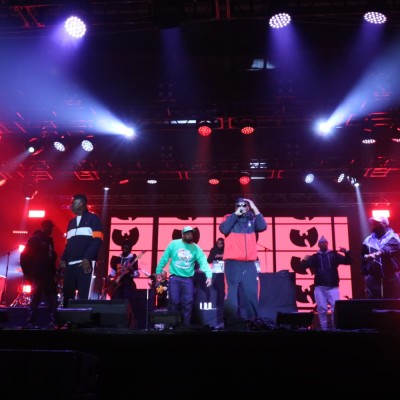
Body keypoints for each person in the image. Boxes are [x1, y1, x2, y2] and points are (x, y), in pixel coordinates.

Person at [219, 198, 267, 324]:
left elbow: (263, 226)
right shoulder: (228, 217)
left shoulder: (252, 219)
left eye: (245, 205)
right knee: (231, 294)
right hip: (232, 263)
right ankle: (230, 322)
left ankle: (254, 322)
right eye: (239, 205)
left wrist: (254, 207)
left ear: (248, 207)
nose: (242, 207)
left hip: (249, 264)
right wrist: (236, 214)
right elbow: (224, 229)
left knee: (252, 293)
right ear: (235, 207)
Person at [155, 226, 212, 326]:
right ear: (182, 235)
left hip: (188, 279)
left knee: (188, 302)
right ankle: (172, 326)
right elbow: (164, 258)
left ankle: (185, 326)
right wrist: (158, 271)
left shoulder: (196, 248)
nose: (189, 235)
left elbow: (203, 261)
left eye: (191, 234)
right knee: (174, 301)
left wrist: (209, 275)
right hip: (175, 278)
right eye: (187, 233)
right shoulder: (174, 244)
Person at [299, 235, 353, 330]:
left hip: (333, 287)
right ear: (318, 245)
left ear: (327, 244)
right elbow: (302, 267)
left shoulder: (334, 255)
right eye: (321, 243)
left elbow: (348, 261)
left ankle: (334, 328)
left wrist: (347, 252)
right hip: (320, 287)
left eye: (324, 242)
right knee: (322, 309)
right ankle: (324, 329)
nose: (323, 244)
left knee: (335, 309)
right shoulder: (315, 257)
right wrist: (304, 260)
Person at [59, 194, 104, 307]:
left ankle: (83, 317)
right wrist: (63, 258)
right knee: (67, 296)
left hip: (84, 264)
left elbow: (97, 240)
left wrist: (87, 258)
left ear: (81, 203)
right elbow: (67, 243)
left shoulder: (93, 218)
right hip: (70, 265)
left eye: (73, 203)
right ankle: (67, 316)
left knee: (84, 297)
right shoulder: (71, 222)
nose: (71, 205)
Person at [20, 220, 58, 328]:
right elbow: (24, 256)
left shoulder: (49, 241)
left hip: (47, 274)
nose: (51, 229)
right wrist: (27, 273)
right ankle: (31, 321)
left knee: (50, 298)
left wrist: (53, 273)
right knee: (37, 298)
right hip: (38, 274)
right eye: (50, 227)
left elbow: (51, 259)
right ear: (45, 227)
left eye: (52, 227)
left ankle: (52, 321)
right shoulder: (35, 240)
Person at [361, 216, 400, 299]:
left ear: (384, 224)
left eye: (377, 222)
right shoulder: (368, 240)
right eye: (373, 222)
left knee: (392, 303)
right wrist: (365, 275)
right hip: (373, 279)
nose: (374, 224)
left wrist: (375, 254)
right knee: (373, 303)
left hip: (391, 278)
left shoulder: (394, 237)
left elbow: (386, 249)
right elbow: (363, 259)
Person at [107, 241, 140, 313]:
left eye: (127, 248)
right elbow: (113, 273)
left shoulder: (133, 259)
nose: (125, 249)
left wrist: (131, 271)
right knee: (115, 301)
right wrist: (109, 277)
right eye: (124, 247)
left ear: (130, 249)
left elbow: (137, 274)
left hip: (128, 284)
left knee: (126, 302)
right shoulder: (116, 259)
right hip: (117, 285)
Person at [207, 237, 225, 328]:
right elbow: (208, 260)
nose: (219, 245)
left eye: (221, 244)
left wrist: (222, 256)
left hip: (225, 273)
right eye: (218, 244)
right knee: (217, 292)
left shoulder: (226, 250)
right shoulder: (213, 250)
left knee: (223, 293)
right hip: (216, 273)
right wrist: (215, 256)